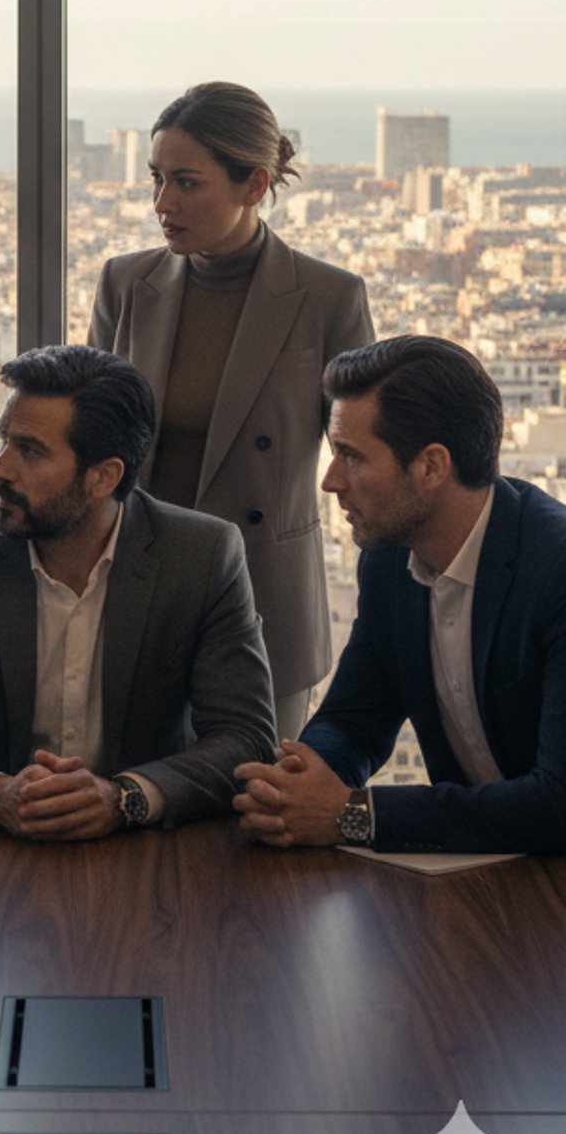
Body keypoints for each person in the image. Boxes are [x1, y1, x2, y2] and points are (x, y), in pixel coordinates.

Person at [0, 345, 276, 835]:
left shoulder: (201, 556)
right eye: (4, 442)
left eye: (29, 451)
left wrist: (125, 798)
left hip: (149, 856)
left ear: (103, 477)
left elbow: (245, 738)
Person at [88, 80, 374, 743]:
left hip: (265, 592)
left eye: (187, 183)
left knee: (256, 812)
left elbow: (364, 453)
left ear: (254, 185)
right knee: (136, 805)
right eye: (157, 179)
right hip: (138, 585)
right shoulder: (125, 284)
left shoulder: (328, 297)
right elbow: (88, 438)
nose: (163, 203)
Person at [235, 336, 566, 856]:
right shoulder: (390, 559)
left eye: (351, 457)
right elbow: (354, 718)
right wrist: (295, 786)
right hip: (483, 882)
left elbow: (558, 803)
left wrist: (354, 815)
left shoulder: (554, 568)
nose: (330, 480)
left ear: (432, 466)